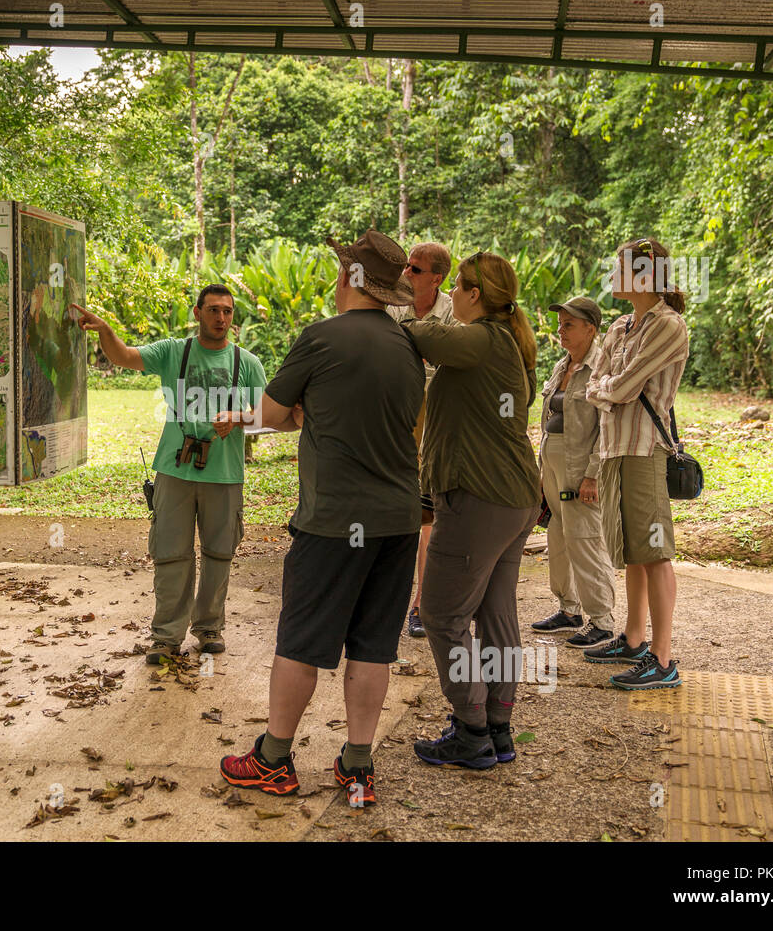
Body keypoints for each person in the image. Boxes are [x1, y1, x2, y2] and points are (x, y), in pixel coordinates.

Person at [217, 230, 424, 807]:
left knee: (302, 642)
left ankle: (273, 758)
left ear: (351, 281)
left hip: (334, 520)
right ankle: (359, 764)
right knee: (373, 646)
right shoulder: (408, 345)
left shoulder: (322, 337)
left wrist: (256, 413)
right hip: (399, 518)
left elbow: (277, 412)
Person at [72, 285, 267, 664]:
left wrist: (240, 418)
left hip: (225, 475)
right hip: (174, 470)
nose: (221, 318)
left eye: (227, 312)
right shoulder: (173, 351)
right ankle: (165, 636)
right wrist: (106, 330)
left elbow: (274, 415)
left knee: (218, 555)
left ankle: (209, 628)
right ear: (197, 313)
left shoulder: (248, 363)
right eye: (213, 310)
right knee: (171, 554)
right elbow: (125, 356)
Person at [404, 251, 542, 770]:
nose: (452, 297)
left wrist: (394, 311)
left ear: (475, 294)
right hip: (513, 499)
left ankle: (471, 729)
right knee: (495, 613)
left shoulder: (484, 338)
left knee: (441, 614)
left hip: (480, 499)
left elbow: (426, 336)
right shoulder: (505, 342)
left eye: (457, 287)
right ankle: (499, 727)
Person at [583, 238, 689, 690]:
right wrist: (606, 387)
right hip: (613, 448)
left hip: (645, 449)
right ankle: (633, 638)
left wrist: (605, 387)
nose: (612, 273)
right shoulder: (621, 325)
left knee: (655, 551)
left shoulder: (668, 325)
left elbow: (621, 388)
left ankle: (662, 660)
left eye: (620, 267)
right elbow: (595, 381)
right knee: (630, 551)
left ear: (644, 275)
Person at [531, 296, 618, 649]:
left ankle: (602, 620)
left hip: (579, 463)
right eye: (560, 323)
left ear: (590, 329)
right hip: (552, 460)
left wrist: (593, 474)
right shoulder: (562, 365)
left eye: (569, 324)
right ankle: (569, 609)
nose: (560, 330)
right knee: (558, 534)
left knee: (584, 538)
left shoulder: (602, 368)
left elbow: (607, 426)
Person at [388, 242, 455, 640]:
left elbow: (449, 363)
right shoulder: (393, 305)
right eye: (405, 267)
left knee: (430, 511)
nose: (406, 274)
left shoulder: (454, 311)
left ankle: (423, 604)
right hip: (397, 411)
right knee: (398, 506)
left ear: (437, 278)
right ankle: (393, 600)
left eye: (415, 269)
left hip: (440, 415)